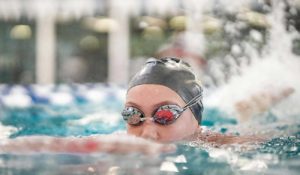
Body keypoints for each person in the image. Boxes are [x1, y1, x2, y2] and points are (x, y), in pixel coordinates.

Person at [0, 57, 294, 154]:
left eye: (165, 115)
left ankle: (250, 108)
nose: (147, 131)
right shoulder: (116, 144)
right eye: (133, 115)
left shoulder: (224, 144)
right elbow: (49, 147)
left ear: (195, 119)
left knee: (248, 118)